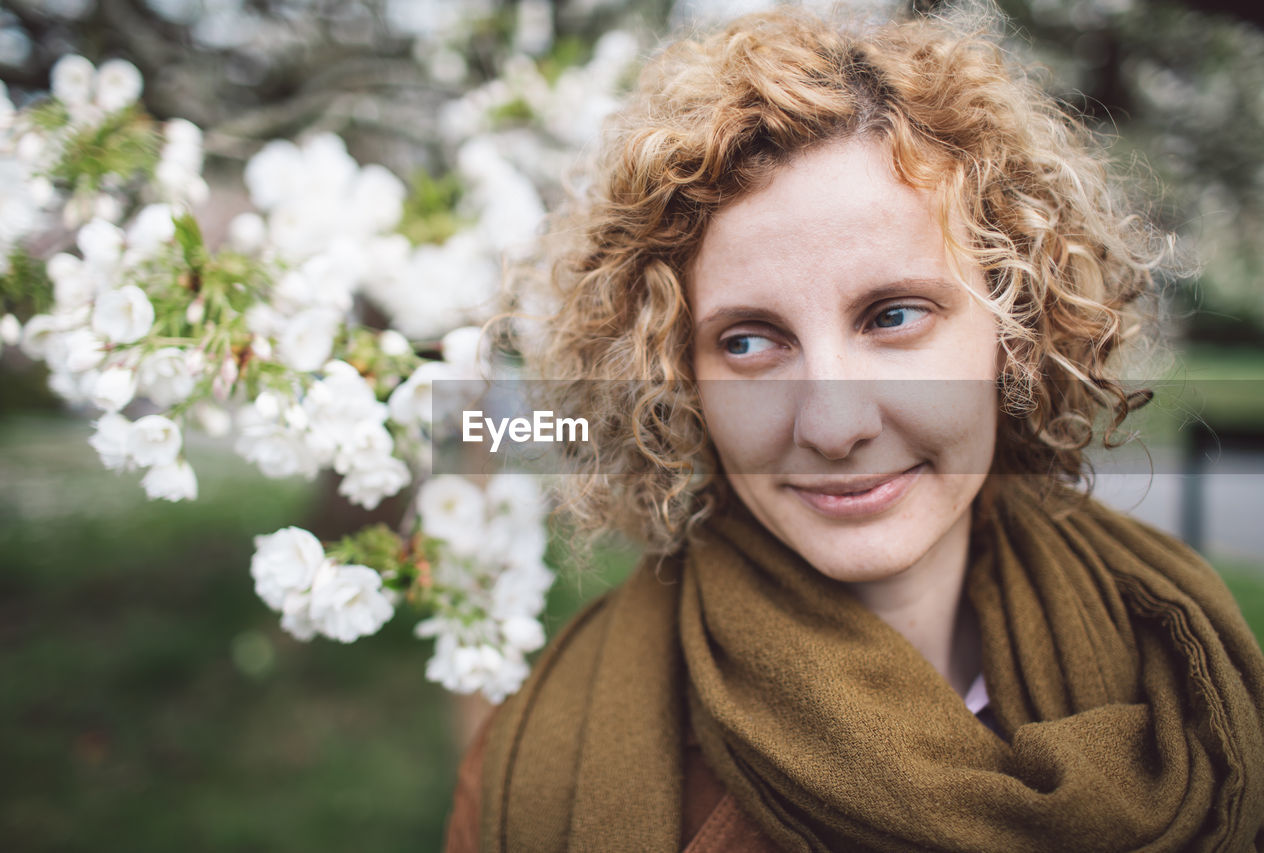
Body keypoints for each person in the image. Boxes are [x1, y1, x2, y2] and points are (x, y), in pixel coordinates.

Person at [445, 7, 1264, 851]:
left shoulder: (1188, 670)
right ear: (676, 380)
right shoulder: (533, 770)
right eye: (750, 340)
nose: (834, 426)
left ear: (1014, 330)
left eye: (894, 315)